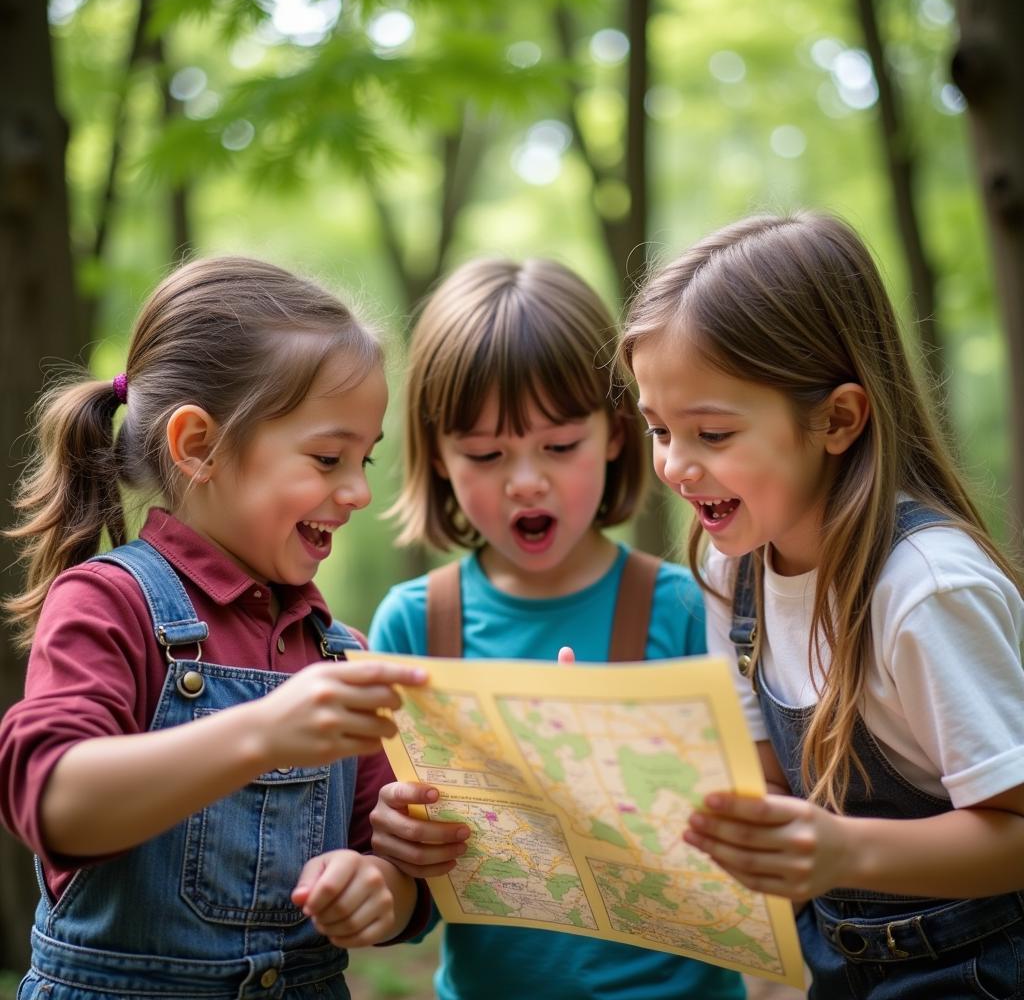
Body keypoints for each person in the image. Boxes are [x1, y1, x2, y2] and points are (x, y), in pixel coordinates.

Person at [0, 256, 434, 999]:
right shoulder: (109, 604)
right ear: (198, 445)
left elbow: (394, 874)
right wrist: (263, 733)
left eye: (364, 458)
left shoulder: (340, 652)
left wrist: (379, 883)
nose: (359, 490)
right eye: (329, 457)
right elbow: (53, 801)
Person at [619, 211, 1024, 999]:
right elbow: (764, 789)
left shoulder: (926, 590)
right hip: (836, 968)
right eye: (659, 429)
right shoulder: (730, 567)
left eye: (711, 432)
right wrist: (611, 743)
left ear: (837, 419)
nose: (674, 466)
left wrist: (842, 852)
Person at [367, 257, 745, 1000]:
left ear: (615, 432)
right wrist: (395, 843)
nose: (526, 481)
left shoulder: (688, 608)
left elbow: (753, 842)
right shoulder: (413, 624)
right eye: (485, 454)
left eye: (559, 445)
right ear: (439, 458)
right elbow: (396, 877)